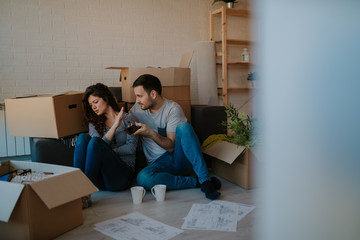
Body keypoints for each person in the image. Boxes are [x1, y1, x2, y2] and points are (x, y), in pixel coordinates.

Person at [129, 74, 221, 200]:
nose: (136, 100)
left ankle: (205, 180)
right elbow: (123, 122)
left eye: (139, 96)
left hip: (179, 159)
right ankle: (196, 182)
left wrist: (150, 132)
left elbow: (171, 147)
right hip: (158, 166)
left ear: (153, 94)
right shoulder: (137, 109)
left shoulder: (172, 109)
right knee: (143, 178)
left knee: (184, 127)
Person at [74, 83, 138, 194]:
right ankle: (79, 186)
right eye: (91, 105)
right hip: (101, 179)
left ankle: (81, 191)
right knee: (82, 137)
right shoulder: (94, 122)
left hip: (121, 176)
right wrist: (114, 127)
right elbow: (96, 148)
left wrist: (111, 151)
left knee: (95, 142)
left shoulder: (128, 118)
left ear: (106, 99)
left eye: (96, 102)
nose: (93, 107)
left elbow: (131, 148)